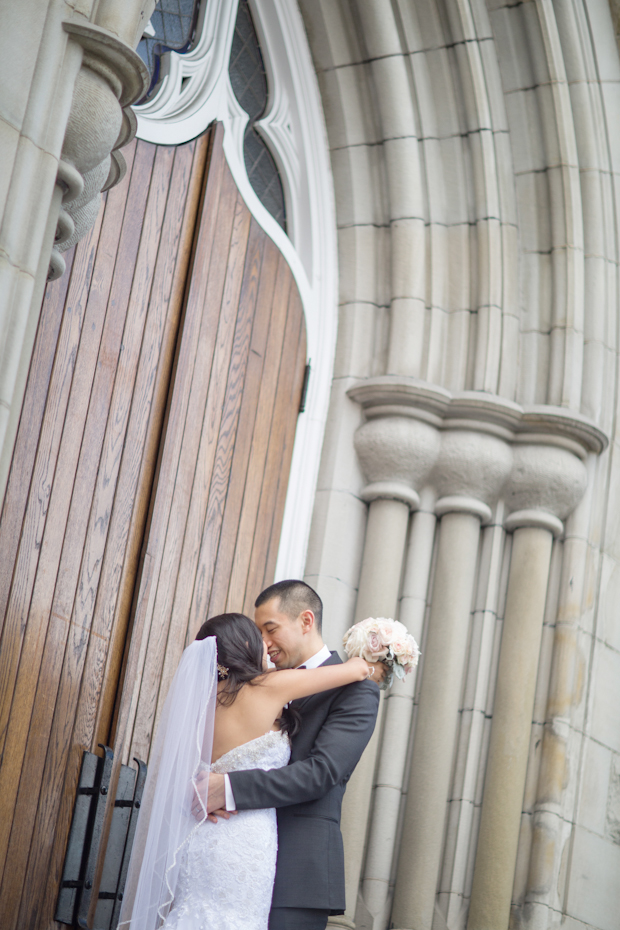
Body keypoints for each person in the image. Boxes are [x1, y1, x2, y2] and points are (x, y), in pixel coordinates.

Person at [119, 610, 378, 930]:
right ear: (245, 644)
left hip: (202, 837)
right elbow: (352, 671)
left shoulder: (202, 706)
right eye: (260, 637)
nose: (267, 645)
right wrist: (374, 654)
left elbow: (187, 775)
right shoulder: (268, 686)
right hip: (244, 838)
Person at [201, 580, 381, 930]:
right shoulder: (253, 685)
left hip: (297, 869)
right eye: (258, 633)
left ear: (306, 621)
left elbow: (321, 773)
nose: (264, 643)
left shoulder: (356, 691)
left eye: (271, 629)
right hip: (230, 856)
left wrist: (228, 788)